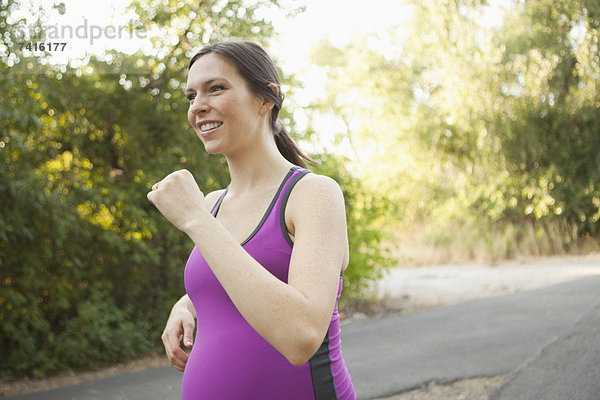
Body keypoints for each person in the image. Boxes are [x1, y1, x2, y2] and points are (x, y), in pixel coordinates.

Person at [147, 40, 356, 400]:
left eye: (216, 88)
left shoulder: (314, 195)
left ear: (266, 98)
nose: (198, 106)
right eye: (191, 95)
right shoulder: (212, 205)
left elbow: (301, 336)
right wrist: (188, 303)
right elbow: (236, 282)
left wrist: (197, 221)